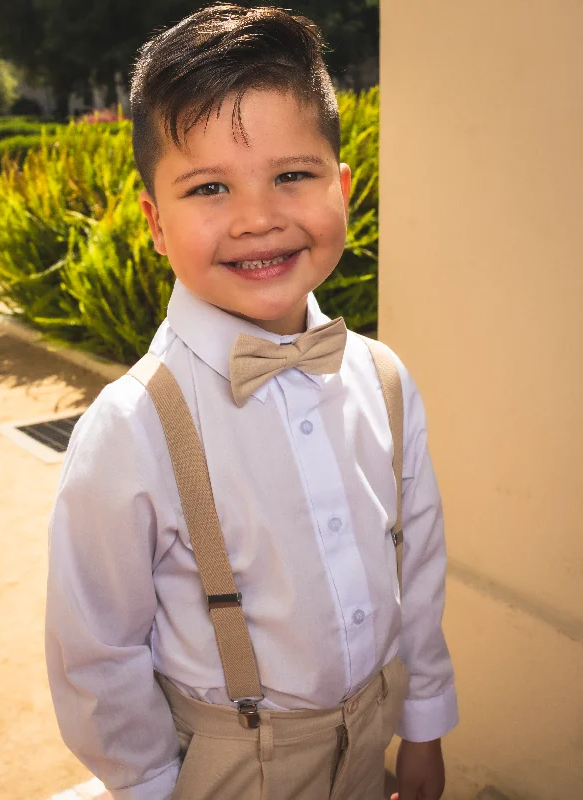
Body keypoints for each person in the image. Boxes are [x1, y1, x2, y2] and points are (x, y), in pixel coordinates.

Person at [45, 5, 459, 800]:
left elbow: (421, 571)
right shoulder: (131, 429)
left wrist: (425, 725)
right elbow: (97, 653)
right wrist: (149, 787)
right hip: (229, 767)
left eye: (292, 176)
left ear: (343, 186)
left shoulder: (384, 379)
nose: (258, 217)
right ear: (156, 222)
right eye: (208, 187)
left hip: (372, 731)